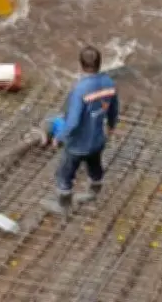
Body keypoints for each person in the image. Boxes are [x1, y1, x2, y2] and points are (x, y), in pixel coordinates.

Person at [42, 45, 119, 217]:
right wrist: (111, 126)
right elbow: (114, 109)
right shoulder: (109, 83)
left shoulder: (80, 90)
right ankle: (92, 193)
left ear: (81, 65)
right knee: (95, 167)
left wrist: (59, 137)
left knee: (64, 175)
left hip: (77, 145)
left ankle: (63, 206)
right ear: (100, 63)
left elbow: (73, 121)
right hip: (97, 140)